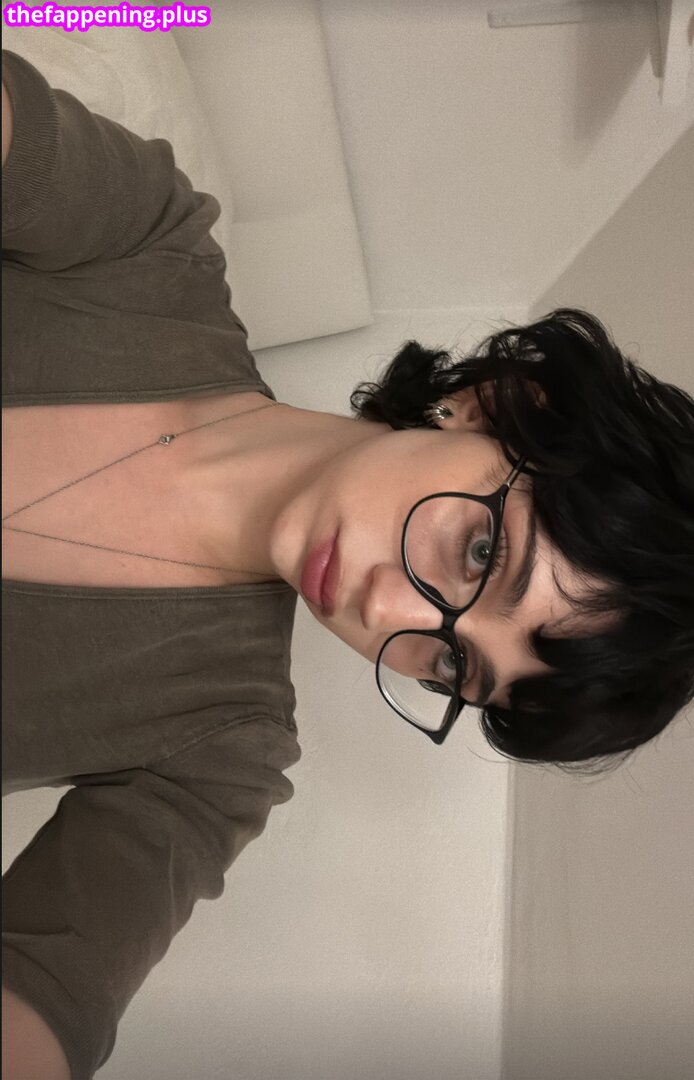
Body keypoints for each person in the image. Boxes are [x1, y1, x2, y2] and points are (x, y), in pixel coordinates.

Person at [2, 49, 693, 1080]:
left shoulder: (220, 756)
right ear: (498, 405)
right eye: (482, 553)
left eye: (455, 667)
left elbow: (48, 995)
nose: (390, 614)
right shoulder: (150, 249)